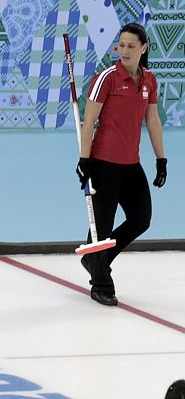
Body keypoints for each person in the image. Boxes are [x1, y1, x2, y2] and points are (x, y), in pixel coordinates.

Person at [76, 23, 167, 306]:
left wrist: (161, 159)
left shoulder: (149, 80)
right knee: (101, 228)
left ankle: (96, 258)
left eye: (130, 46)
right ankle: (101, 282)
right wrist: (84, 159)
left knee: (141, 219)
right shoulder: (107, 78)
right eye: (120, 45)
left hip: (131, 164)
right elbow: (89, 120)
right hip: (103, 163)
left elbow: (152, 120)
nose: (124, 51)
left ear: (143, 48)